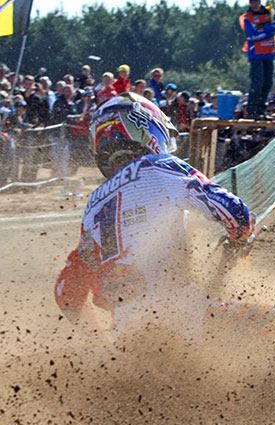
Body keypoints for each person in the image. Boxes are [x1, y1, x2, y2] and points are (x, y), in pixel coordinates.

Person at [55, 92, 255, 341]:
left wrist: (100, 342)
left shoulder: (93, 206)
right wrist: (241, 234)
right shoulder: (160, 166)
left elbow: (66, 293)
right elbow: (235, 212)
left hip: (128, 338)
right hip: (186, 317)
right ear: (146, 127)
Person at [240, 0, 275, 119]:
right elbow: (253, 35)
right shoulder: (248, 17)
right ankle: (252, 110)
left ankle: (260, 110)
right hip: (256, 55)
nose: (253, 4)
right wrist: (269, 31)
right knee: (257, 83)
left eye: (255, 1)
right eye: (251, 2)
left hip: (269, 54)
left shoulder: (270, 12)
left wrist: (264, 28)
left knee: (267, 83)